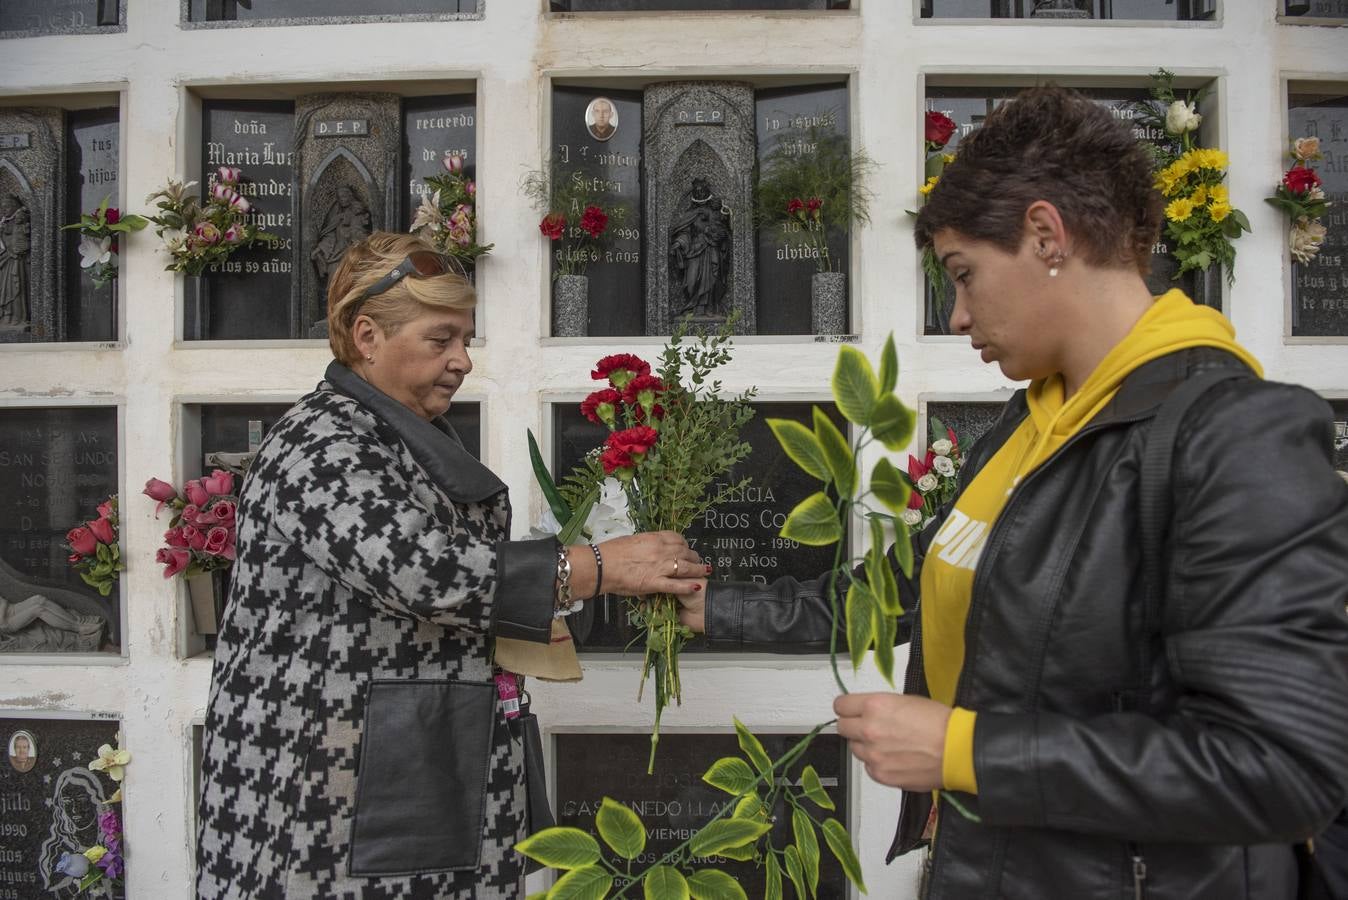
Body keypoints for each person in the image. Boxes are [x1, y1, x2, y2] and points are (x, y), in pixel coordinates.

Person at [680, 85, 1348, 898]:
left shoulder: (1233, 434)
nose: (957, 316)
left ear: (1045, 236)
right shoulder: (1024, 424)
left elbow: (1279, 768)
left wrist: (963, 752)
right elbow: (922, 588)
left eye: (964, 275)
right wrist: (718, 606)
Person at [195, 231, 705, 899]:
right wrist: (598, 568)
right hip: (325, 808)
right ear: (367, 335)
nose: (463, 360)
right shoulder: (321, 441)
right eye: (441, 340)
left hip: (396, 782)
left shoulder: (390, 431)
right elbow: (422, 571)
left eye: (466, 339)